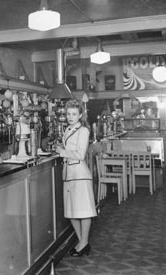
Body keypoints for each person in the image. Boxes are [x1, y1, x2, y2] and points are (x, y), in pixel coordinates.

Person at [56, 99, 96, 257]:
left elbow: (80, 154)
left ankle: (83, 242)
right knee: (72, 212)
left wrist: (62, 152)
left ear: (80, 115)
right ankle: (82, 242)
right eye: (68, 114)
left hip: (79, 175)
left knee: (84, 211)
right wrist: (61, 148)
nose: (70, 116)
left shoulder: (83, 131)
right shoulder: (68, 129)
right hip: (69, 174)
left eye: (74, 114)